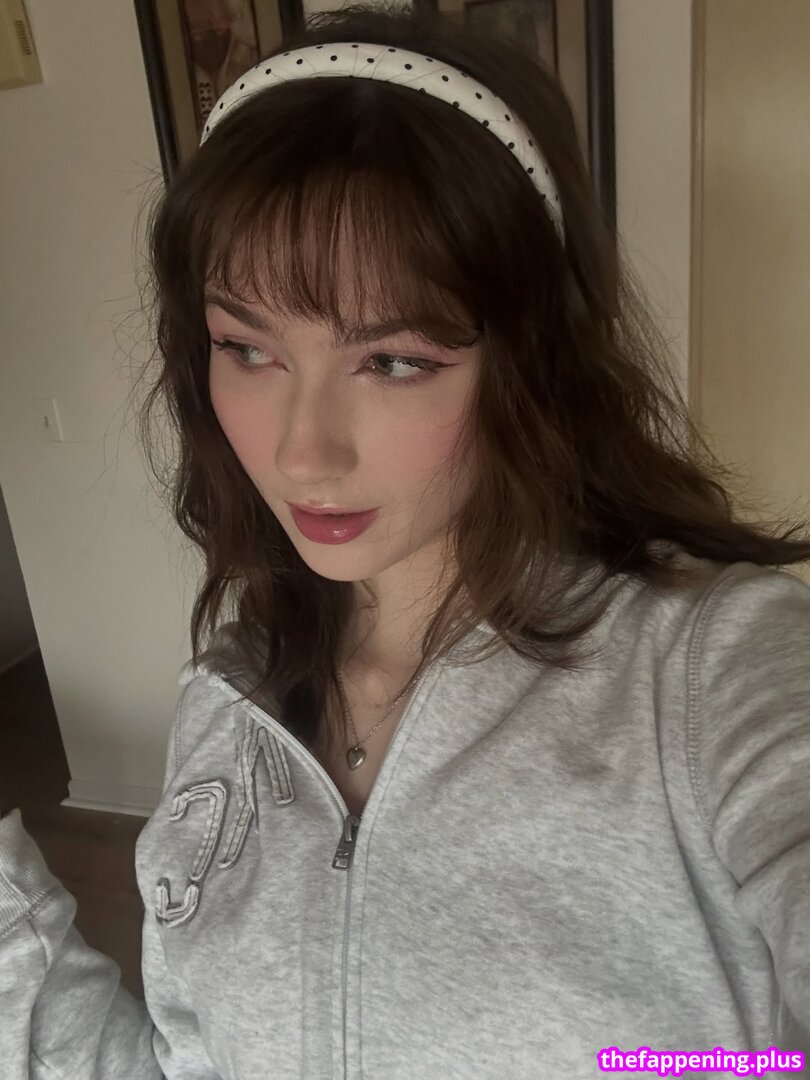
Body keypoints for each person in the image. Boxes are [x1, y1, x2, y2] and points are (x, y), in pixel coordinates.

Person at [2, 3, 810, 1077]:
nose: (302, 454)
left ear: (531, 360)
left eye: (392, 361)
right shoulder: (229, 704)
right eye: (248, 349)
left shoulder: (716, 674)